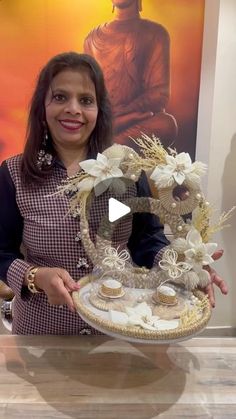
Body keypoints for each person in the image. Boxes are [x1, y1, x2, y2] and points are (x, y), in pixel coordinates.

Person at [0, 52, 227, 335]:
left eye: (86, 100)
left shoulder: (128, 171)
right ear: (42, 107)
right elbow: (2, 251)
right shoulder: (15, 174)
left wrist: (183, 269)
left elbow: (146, 239)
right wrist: (34, 276)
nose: (73, 109)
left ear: (99, 110)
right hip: (41, 334)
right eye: (60, 97)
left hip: (116, 330)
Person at [84, 0, 178, 151]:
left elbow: (159, 94)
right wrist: (111, 116)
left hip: (135, 119)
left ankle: (107, 147)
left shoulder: (155, 33)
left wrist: (127, 113)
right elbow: (88, 92)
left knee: (166, 124)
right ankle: (107, 143)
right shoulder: (93, 38)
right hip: (105, 120)